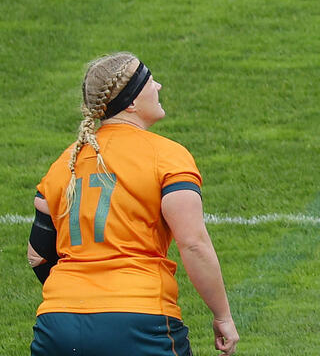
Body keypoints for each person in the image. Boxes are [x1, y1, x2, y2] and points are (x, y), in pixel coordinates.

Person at [29, 53, 238, 356]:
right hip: (140, 322)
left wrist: (79, 297)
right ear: (131, 101)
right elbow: (193, 243)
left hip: (57, 325)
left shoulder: (64, 164)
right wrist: (223, 316)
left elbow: (37, 255)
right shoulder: (167, 156)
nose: (160, 86)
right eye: (151, 81)